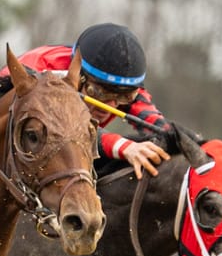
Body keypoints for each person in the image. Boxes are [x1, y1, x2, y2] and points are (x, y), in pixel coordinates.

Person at [19, 22, 174, 177]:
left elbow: (159, 126)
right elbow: (67, 129)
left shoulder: (125, 86)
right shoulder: (49, 76)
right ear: (78, 76)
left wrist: (174, 138)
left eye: (124, 96)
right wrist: (125, 146)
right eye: (99, 93)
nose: (109, 107)